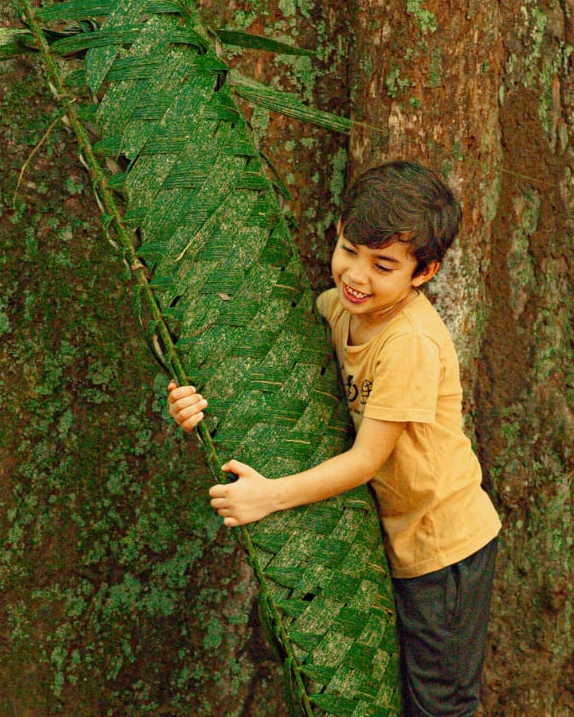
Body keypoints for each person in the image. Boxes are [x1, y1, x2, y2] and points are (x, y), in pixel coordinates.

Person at [167, 160, 501, 716]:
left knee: (439, 705)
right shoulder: (338, 310)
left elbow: (367, 460)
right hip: (391, 540)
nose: (357, 275)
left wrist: (268, 496)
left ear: (424, 273)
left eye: (384, 265)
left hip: (443, 547)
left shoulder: (409, 343)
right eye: (349, 250)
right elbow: (270, 369)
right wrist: (195, 400)